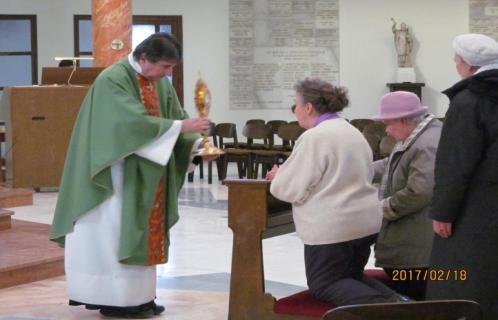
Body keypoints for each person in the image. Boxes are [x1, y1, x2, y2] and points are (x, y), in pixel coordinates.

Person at [49, 33, 214, 318]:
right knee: (112, 235)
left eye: (171, 67)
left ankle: (141, 297)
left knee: (142, 232)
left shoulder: (159, 83)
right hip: (113, 174)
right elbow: (128, 125)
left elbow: (175, 118)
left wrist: (197, 143)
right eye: (165, 66)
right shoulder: (113, 79)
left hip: (147, 175)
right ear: (143, 59)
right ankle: (113, 299)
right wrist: (180, 126)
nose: (168, 73)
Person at [266, 78, 404, 306]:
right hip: (363, 222)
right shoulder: (352, 131)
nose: (296, 111)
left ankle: (392, 310)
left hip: (334, 227)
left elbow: (288, 189)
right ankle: (403, 303)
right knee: (350, 277)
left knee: (325, 283)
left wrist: (278, 176)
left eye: (296, 105)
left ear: (308, 107)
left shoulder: (315, 137)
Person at [427, 33, 498, 320]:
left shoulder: (469, 101)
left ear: (469, 66)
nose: (454, 63)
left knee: (466, 278)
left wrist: (443, 212)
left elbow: (456, 162)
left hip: (477, 207)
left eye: (456, 59)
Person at [372, 91, 442, 300]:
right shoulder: (417, 135)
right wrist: (359, 170)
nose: (386, 130)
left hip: (418, 247)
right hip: (415, 241)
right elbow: (391, 163)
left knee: (415, 294)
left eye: (388, 123)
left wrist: (383, 208)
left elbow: (419, 191)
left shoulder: (427, 143)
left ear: (403, 120)